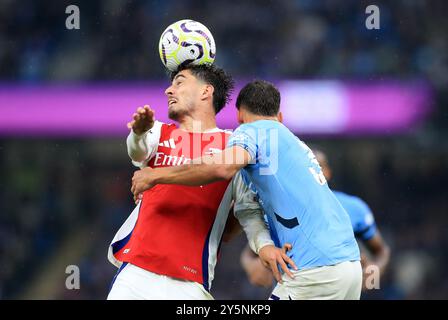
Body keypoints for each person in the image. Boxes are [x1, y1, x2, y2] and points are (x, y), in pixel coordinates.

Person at [131, 80, 362, 300]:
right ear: (279, 117)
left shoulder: (251, 132)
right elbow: (244, 215)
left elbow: (222, 167)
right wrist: (265, 246)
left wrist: (156, 175)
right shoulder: (290, 143)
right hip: (349, 266)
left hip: (314, 268)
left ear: (239, 116)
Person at [107, 65, 294, 300]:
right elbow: (137, 152)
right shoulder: (159, 132)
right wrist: (138, 133)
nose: (168, 90)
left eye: (179, 82)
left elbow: (248, 209)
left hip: (190, 283)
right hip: (136, 274)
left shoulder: (233, 146)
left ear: (206, 91)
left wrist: (264, 246)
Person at [240, 148, 390, 292]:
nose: (310, 173)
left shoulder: (354, 208)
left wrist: (373, 275)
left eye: (317, 167)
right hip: (294, 290)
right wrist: (252, 266)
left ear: (327, 172)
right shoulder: (278, 210)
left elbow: (381, 251)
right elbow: (250, 253)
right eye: (304, 168)